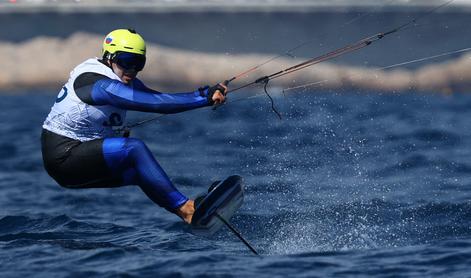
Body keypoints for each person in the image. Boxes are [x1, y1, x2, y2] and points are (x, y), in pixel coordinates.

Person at [41, 29, 227, 224]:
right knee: (133, 148)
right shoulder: (101, 85)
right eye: (126, 61)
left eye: (139, 63)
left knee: (139, 171)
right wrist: (204, 99)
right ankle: (187, 209)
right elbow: (156, 103)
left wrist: (204, 93)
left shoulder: (120, 78)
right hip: (64, 157)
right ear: (109, 58)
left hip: (76, 160)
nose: (132, 69)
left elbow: (159, 97)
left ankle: (187, 216)